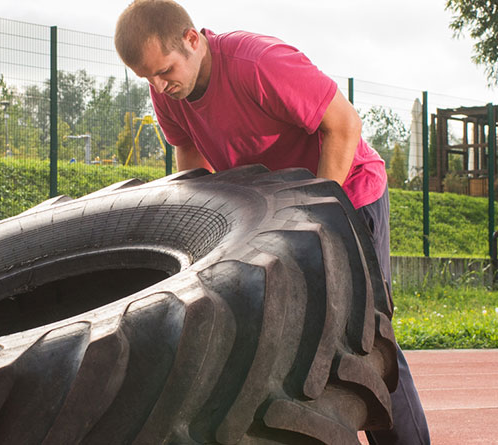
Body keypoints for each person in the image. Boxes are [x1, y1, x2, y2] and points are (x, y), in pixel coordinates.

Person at [113, 1, 431, 444]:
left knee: (362, 338)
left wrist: (315, 220)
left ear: (191, 40)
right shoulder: (169, 90)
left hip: (347, 192)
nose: (159, 86)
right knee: (284, 341)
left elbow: (343, 125)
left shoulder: (258, 63)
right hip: (275, 213)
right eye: (148, 78)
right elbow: (191, 159)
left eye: (164, 71)